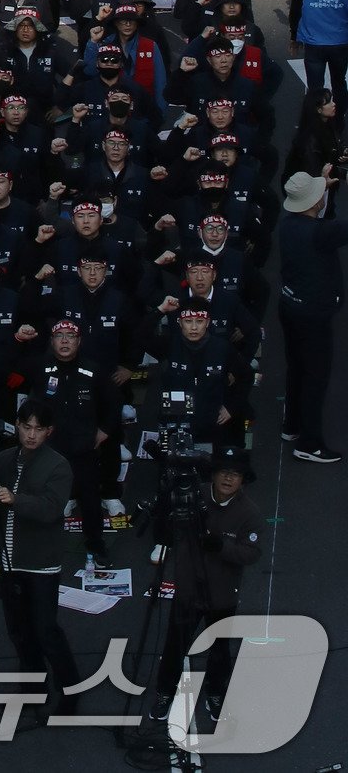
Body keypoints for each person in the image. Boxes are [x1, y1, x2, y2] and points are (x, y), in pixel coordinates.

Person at [153, 447, 262, 725]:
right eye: (224, 472)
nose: (228, 478)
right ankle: (165, 692)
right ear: (213, 474)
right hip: (188, 590)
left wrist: (221, 546)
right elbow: (166, 527)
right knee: (175, 645)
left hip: (222, 596)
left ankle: (215, 691)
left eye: (235, 474)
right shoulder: (192, 495)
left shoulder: (250, 513)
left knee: (219, 650)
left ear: (243, 480)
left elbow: (250, 553)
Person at [0, 400, 79, 705]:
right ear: (17, 426)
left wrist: (16, 499)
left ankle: (70, 689)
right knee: (18, 631)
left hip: (40, 565)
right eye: (26, 427)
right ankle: (33, 687)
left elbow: (51, 509)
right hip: (7, 561)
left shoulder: (58, 465)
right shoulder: (2, 459)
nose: (31, 434)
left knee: (45, 631)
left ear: (49, 431)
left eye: (38, 429)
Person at [278, 170, 348, 462]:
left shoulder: (287, 225)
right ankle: (310, 444)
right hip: (314, 314)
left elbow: (315, 213)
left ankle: (292, 425)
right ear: (316, 200)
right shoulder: (321, 233)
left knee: (296, 367)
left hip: (290, 306)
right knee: (316, 377)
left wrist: (321, 187)